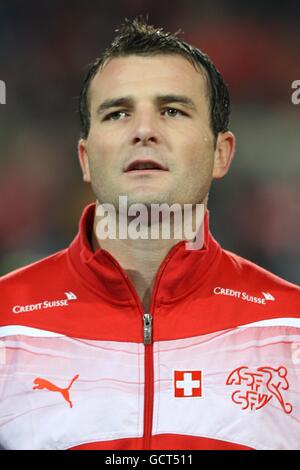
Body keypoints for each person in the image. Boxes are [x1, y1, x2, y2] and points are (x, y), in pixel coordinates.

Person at [0, 18, 299, 451]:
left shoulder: (289, 329)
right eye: (118, 113)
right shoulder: (5, 321)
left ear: (222, 153)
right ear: (84, 158)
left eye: (172, 111)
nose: (144, 130)